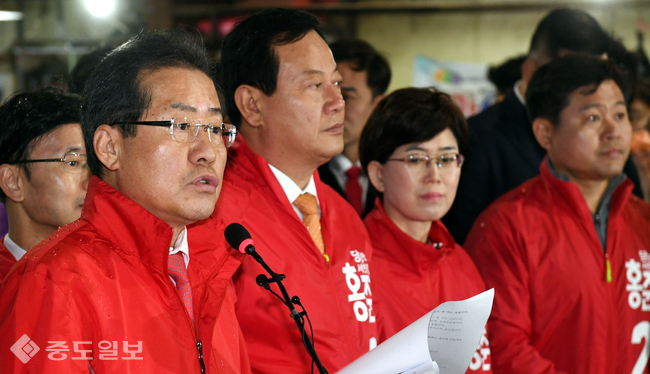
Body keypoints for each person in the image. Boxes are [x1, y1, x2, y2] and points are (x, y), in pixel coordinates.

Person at [0, 30, 250, 373]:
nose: (207, 151)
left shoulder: (212, 267)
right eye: (180, 125)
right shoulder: (54, 283)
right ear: (109, 148)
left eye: (215, 128)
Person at [464, 54, 650, 374]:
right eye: (593, 118)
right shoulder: (505, 227)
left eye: (620, 115)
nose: (612, 131)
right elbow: (501, 346)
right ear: (545, 133)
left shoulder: (643, 221)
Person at [217, 8, 377, 373]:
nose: (337, 102)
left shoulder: (345, 217)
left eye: (336, 83)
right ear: (252, 105)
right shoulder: (217, 219)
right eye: (314, 85)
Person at [444, 8, 644, 245]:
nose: (594, 89)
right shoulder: (478, 137)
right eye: (573, 76)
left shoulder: (611, 136)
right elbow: (462, 242)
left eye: (599, 70)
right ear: (532, 72)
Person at [359, 87, 492, 373]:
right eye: (416, 159)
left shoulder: (461, 263)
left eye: (446, 159)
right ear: (378, 174)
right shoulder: (356, 265)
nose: (434, 176)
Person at [0, 88, 89, 278]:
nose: (91, 183)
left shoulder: (107, 274)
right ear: (12, 182)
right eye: (73, 162)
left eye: (93, 165)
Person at [317, 39, 391, 217]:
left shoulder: (394, 173)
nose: (334, 106)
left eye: (347, 97)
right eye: (322, 93)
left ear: (377, 105)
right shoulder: (306, 173)